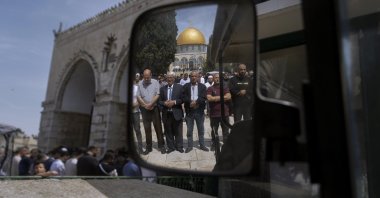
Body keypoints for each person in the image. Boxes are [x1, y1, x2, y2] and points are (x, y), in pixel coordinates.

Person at [137, 68, 166, 155]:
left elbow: (158, 94)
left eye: (147, 77)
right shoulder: (139, 83)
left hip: (154, 108)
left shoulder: (155, 82)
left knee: (158, 128)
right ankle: (148, 147)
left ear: (150, 75)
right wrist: (145, 105)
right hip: (144, 109)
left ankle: (161, 146)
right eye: (144, 77)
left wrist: (151, 104)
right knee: (147, 129)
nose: (146, 79)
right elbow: (138, 96)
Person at [183, 71, 209, 153]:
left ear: (198, 77)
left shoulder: (203, 86)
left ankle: (202, 145)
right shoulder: (186, 86)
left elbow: (204, 97)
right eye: (192, 76)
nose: (194, 77)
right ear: (190, 77)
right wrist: (190, 101)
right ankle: (190, 146)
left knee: (201, 129)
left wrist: (196, 102)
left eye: (195, 76)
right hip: (189, 111)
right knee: (189, 130)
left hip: (199, 111)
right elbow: (183, 96)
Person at [159, 72, 184, 153]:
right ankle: (171, 147)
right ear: (166, 79)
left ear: (174, 78)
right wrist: (165, 103)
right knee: (168, 131)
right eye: (168, 77)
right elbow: (159, 101)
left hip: (176, 112)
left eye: (171, 77)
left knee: (178, 131)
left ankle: (179, 146)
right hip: (167, 113)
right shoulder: (162, 88)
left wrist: (174, 102)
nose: (169, 79)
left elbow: (182, 99)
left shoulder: (179, 87)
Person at [207, 73, 231, 149]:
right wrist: (223, 97)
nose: (217, 79)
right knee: (214, 130)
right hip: (214, 114)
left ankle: (226, 145)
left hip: (225, 114)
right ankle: (214, 144)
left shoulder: (225, 87)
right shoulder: (210, 88)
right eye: (216, 77)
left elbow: (229, 97)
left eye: (219, 78)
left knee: (226, 131)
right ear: (213, 79)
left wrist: (215, 98)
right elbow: (209, 98)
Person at [132, 77, 143, 154]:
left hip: (135, 112)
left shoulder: (137, 88)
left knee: (137, 130)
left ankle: (140, 147)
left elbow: (141, 99)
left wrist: (134, 105)